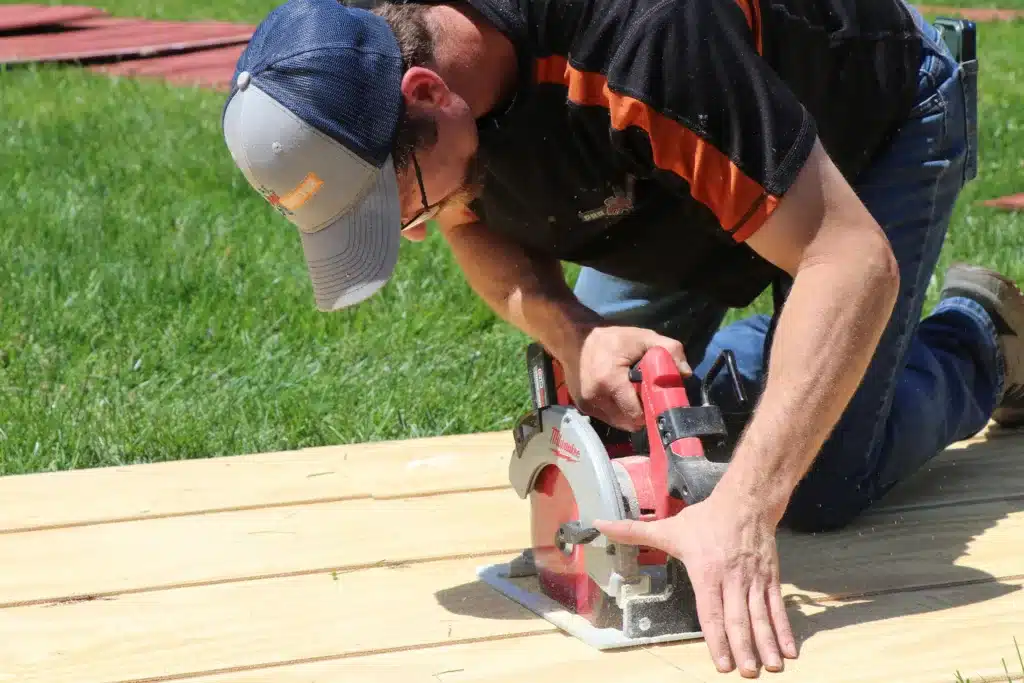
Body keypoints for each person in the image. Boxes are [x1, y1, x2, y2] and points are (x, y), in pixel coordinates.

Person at [221, 0, 1023, 675]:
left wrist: (744, 510)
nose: (422, 233)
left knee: (814, 482)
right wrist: (575, 334)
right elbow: (470, 220)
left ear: (429, 92)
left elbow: (851, 261)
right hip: (672, 165)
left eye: (407, 208)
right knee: (621, 418)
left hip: (869, 115)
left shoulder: (646, 40)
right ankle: (792, 349)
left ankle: (983, 335)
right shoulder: (377, 53)